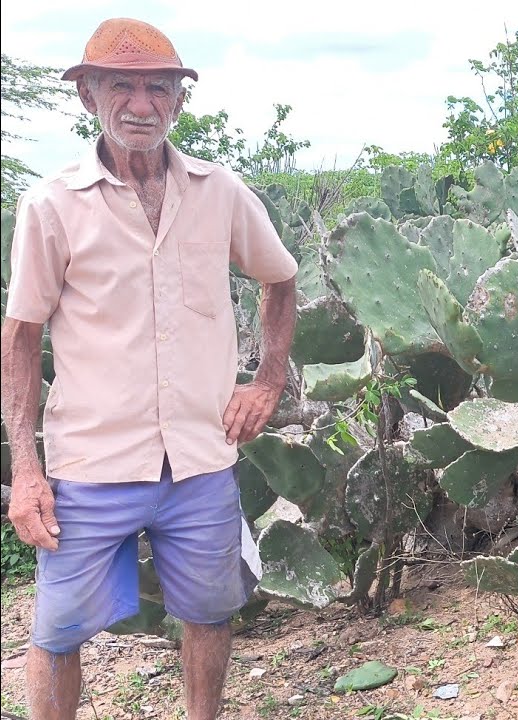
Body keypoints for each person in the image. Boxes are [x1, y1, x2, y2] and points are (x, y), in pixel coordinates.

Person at [1, 17, 298, 720]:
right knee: (58, 631)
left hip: (199, 459)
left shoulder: (220, 191)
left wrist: (268, 380)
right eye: (122, 87)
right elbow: (20, 338)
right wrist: (27, 472)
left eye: (159, 88)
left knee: (210, 615)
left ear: (180, 100)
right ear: (88, 96)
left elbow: (280, 279)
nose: (142, 105)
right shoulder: (51, 205)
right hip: (90, 465)